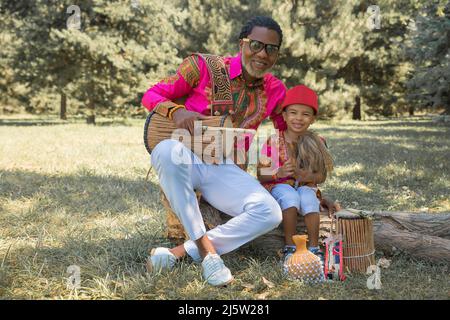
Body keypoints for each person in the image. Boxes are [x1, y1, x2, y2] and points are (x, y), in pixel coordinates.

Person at [141, 16, 288, 286]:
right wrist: (178, 111)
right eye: (256, 44)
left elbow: (285, 133)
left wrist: (298, 183)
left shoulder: (275, 89)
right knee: (165, 151)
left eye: (271, 48)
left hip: (225, 168)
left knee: (270, 212)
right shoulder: (204, 66)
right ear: (241, 43)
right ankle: (210, 256)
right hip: (185, 158)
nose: (262, 54)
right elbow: (150, 95)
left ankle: (177, 253)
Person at [257, 85, 340, 263]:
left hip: (305, 187)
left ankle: (314, 248)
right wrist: (277, 173)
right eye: (293, 112)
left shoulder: (317, 142)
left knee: (308, 199)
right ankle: (290, 246)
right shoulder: (274, 140)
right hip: (279, 186)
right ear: (285, 115)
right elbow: (260, 174)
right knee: (289, 197)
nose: (298, 118)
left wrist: (305, 176)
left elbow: (321, 176)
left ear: (313, 119)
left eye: (305, 114)